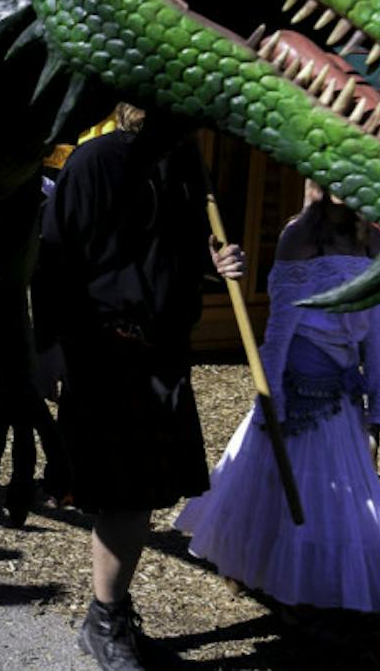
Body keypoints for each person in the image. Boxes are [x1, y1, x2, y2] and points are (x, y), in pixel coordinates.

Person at [34, 103, 245, 670]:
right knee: (124, 495)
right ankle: (106, 619)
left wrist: (213, 263)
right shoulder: (96, 161)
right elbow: (53, 259)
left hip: (165, 353)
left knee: (143, 492)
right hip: (106, 349)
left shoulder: (183, 167)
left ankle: (108, 611)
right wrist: (47, 345)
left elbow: (167, 254)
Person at [176, 188, 380, 619]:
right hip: (297, 386)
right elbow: (278, 334)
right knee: (279, 484)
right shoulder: (300, 236)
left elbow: (377, 336)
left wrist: (379, 407)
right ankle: (262, 567)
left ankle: (320, 577)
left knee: (341, 494)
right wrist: (272, 402)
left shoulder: (375, 241)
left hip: (343, 391)